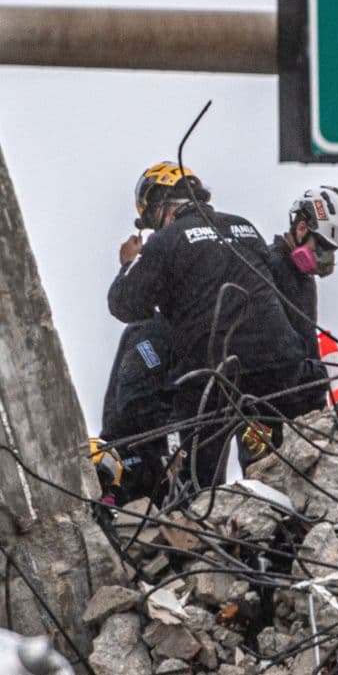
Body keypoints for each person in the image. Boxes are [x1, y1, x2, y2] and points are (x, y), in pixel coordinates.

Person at [108, 161, 310, 489]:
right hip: (281, 367)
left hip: (212, 372)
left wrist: (129, 264)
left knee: (197, 487)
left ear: (159, 207)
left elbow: (124, 304)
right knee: (284, 473)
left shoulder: (167, 239)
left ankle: (197, 520)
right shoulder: (245, 228)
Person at [266, 185, 338, 413]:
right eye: (323, 247)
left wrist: (317, 389)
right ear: (301, 227)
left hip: (304, 396)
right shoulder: (269, 266)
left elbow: (306, 337)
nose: (326, 258)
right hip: (273, 401)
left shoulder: (304, 277)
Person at [92, 313, 173, 504]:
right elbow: (135, 400)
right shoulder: (152, 333)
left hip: (156, 461)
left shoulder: (174, 331)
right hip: (136, 462)